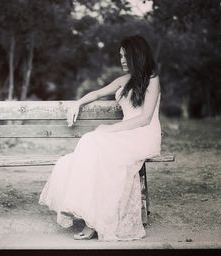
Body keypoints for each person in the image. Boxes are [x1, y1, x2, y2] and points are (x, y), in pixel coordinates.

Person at [39, 35, 161, 241]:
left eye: (125, 56)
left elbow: (145, 118)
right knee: (84, 151)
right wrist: (77, 103)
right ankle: (87, 214)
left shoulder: (152, 79)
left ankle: (92, 220)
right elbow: (96, 94)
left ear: (136, 56)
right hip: (125, 134)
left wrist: (111, 129)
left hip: (142, 134)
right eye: (120, 56)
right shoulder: (124, 80)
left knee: (92, 141)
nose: (121, 60)